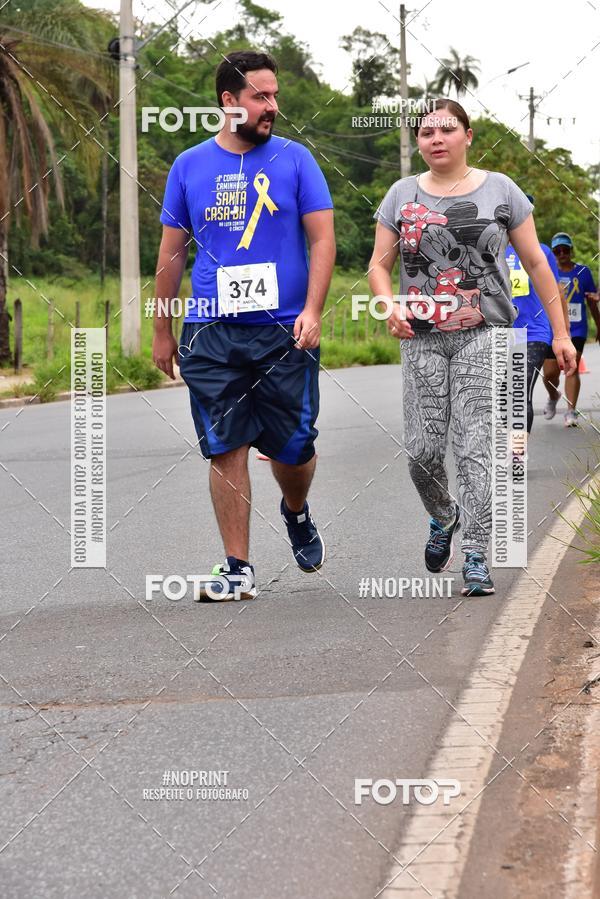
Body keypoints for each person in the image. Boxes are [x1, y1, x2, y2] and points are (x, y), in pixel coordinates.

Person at [369, 99, 577, 597]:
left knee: (475, 446)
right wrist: (388, 305)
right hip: (422, 338)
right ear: (418, 142)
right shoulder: (400, 195)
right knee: (422, 452)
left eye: (446, 129)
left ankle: (477, 554)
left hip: (486, 334)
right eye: (426, 132)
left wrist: (561, 334)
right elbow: (379, 265)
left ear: (467, 135)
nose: (436, 139)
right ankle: (444, 515)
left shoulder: (501, 189)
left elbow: (537, 264)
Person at [152, 50, 336, 601]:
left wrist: (313, 310)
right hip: (211, 330)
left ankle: (296, 509)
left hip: (285, 329)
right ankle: (238, 568)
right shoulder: (189, 165)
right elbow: (171, 253)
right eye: (261, 96)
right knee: (225, 445)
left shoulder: (296, 159)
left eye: (274, 95)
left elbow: (322, 239)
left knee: (293, 448)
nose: (272, 105)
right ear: (229, 101)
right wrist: (163, 328)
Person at [506, 207, 565, 434]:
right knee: (502, 397)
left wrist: (563, 333)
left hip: (533, 332)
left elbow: (555, 291)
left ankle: (517, 452)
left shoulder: (542, 252)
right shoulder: (490, 251)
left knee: (519, 392)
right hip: (499, 332)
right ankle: (505, 448)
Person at [542, 232, 600, 426]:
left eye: (565, 250)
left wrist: (599, 325)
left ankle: (571, 411)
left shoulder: (583, 272)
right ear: (552, 253)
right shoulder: (546, 273)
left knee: (571, 369)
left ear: (571, 251)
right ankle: (553, 396)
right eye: (557, 251)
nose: (562, 254)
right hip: (553, 329)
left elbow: (592, 301)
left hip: (577, 329)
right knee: (549, 374)